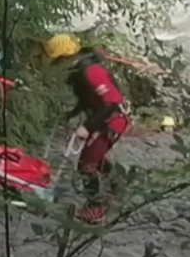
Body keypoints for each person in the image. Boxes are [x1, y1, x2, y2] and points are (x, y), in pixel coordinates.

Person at [43, 33, 129, 224]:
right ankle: (116, 187)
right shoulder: (81, 71)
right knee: (94, 158)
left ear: (66, 56)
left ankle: (95, 209)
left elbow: (112, 103)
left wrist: (87, 127)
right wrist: (72, 115)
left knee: (86, 165)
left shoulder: (92, 71)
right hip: (104, 117)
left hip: (112, 120)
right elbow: (88, 100)